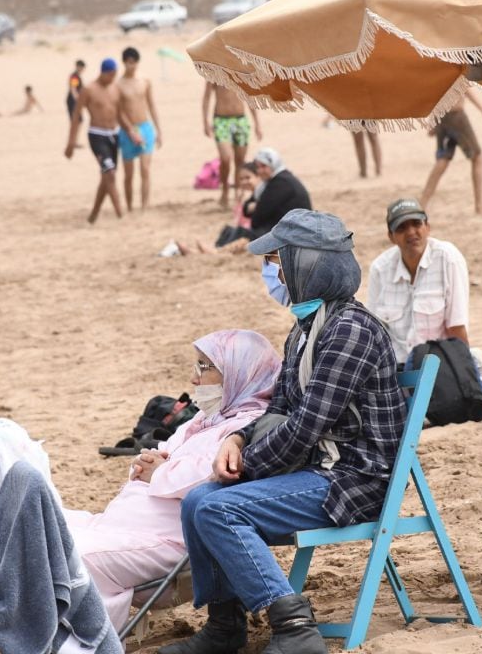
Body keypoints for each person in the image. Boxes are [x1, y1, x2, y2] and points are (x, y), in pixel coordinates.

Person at [159, 209, 407, 654]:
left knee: (218, 509)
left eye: (278, 260)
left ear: (306, 266)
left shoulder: (349, 329)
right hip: (320, 470)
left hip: (353, 479)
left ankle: (295, 630)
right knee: (199, 499)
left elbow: (307, 426)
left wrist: (246, 466)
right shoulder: (306, 329)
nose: (273, 272)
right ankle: (225, 627)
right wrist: (235, 439)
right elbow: (280, 408)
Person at [63, 330, 281, 631]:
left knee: (65, 559)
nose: (194, 379)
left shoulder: (249, 429)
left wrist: (160, 472)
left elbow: (215, 475)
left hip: (165, 544)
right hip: (117, 527)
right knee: (25, 531)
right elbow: (158, 458)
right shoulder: (204, 419)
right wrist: (148, 466)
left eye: (205, 367)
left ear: (238, 374)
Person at [367, 198, 470, 364]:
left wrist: (465, 371)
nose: (411, 232)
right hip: (395, 370)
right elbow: (373, 332)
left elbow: (457, 328)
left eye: (416, 224)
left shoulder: (448, 258)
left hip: (438, 366)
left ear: (427, 227)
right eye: (401, 227)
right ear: (391, 237)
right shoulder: (379, 269)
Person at [65, 57, 125, 224]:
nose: (113, 78)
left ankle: (94, 214)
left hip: (114, 134)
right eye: (112, 75)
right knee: (110, 174)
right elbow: (77, 115)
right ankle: (120, 215)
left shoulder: (115, 89)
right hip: (97, 135)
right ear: (105, 73)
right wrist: (70, 143)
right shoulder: (89, 89)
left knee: (106, 176)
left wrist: (131, 133)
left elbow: (120, 115)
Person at [420, 90, 482, 214]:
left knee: (442, 160)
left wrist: (432, 120)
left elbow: (435, 91)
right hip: (457, 117)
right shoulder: (455, 69)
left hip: (442, 117)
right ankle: (479, 206)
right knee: (477, 157)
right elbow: (466, 89)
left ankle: (422, 204)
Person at [117, 47, 162, 212]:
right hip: (127, 130)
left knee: (145, 169)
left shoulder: (145, 80)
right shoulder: (118, 84)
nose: (132, 66)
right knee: (129, 174)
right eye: (129, 63)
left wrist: (159, 131)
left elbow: (151, 105)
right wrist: (130, 130)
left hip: (145, 127)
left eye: (134, 63)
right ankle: (129, 206)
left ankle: (145, 205)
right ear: (124, 63)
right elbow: (119, 111)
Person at [202, 83, 262, 208]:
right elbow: (207, 97)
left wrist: (257, 123)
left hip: (241, 120)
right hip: (221, 120)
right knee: (225, 158)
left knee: (240, 161)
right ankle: (225, 190)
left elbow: (249, 96)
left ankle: (238, 193)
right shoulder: (213, 71)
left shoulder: (240, 69)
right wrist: (205, 122)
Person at [240, 147, 311, 240]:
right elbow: (246, 209)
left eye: (264, 166)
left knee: (240, 234)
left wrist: (256, 206)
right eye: (258, 167)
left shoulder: (281, 183)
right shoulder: (269, 183)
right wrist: (257, 206)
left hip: (296, 233)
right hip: (287, 229)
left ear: (273, 164)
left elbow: (257, 219)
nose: (260, 170)